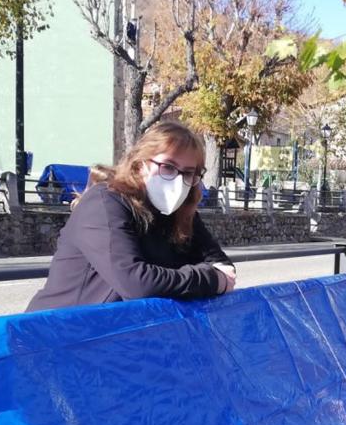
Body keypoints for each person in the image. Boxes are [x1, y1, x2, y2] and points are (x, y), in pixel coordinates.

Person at [26, 122, 236, 312]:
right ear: (140, 165)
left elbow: (224, 268)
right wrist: (209, 279)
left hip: (119, 339)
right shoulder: (105, 203)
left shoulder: (183, 213)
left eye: (188, 173)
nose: (178, 180)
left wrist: (205, 277)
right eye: (168, 167)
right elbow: (136, 283)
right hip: (59, 337)